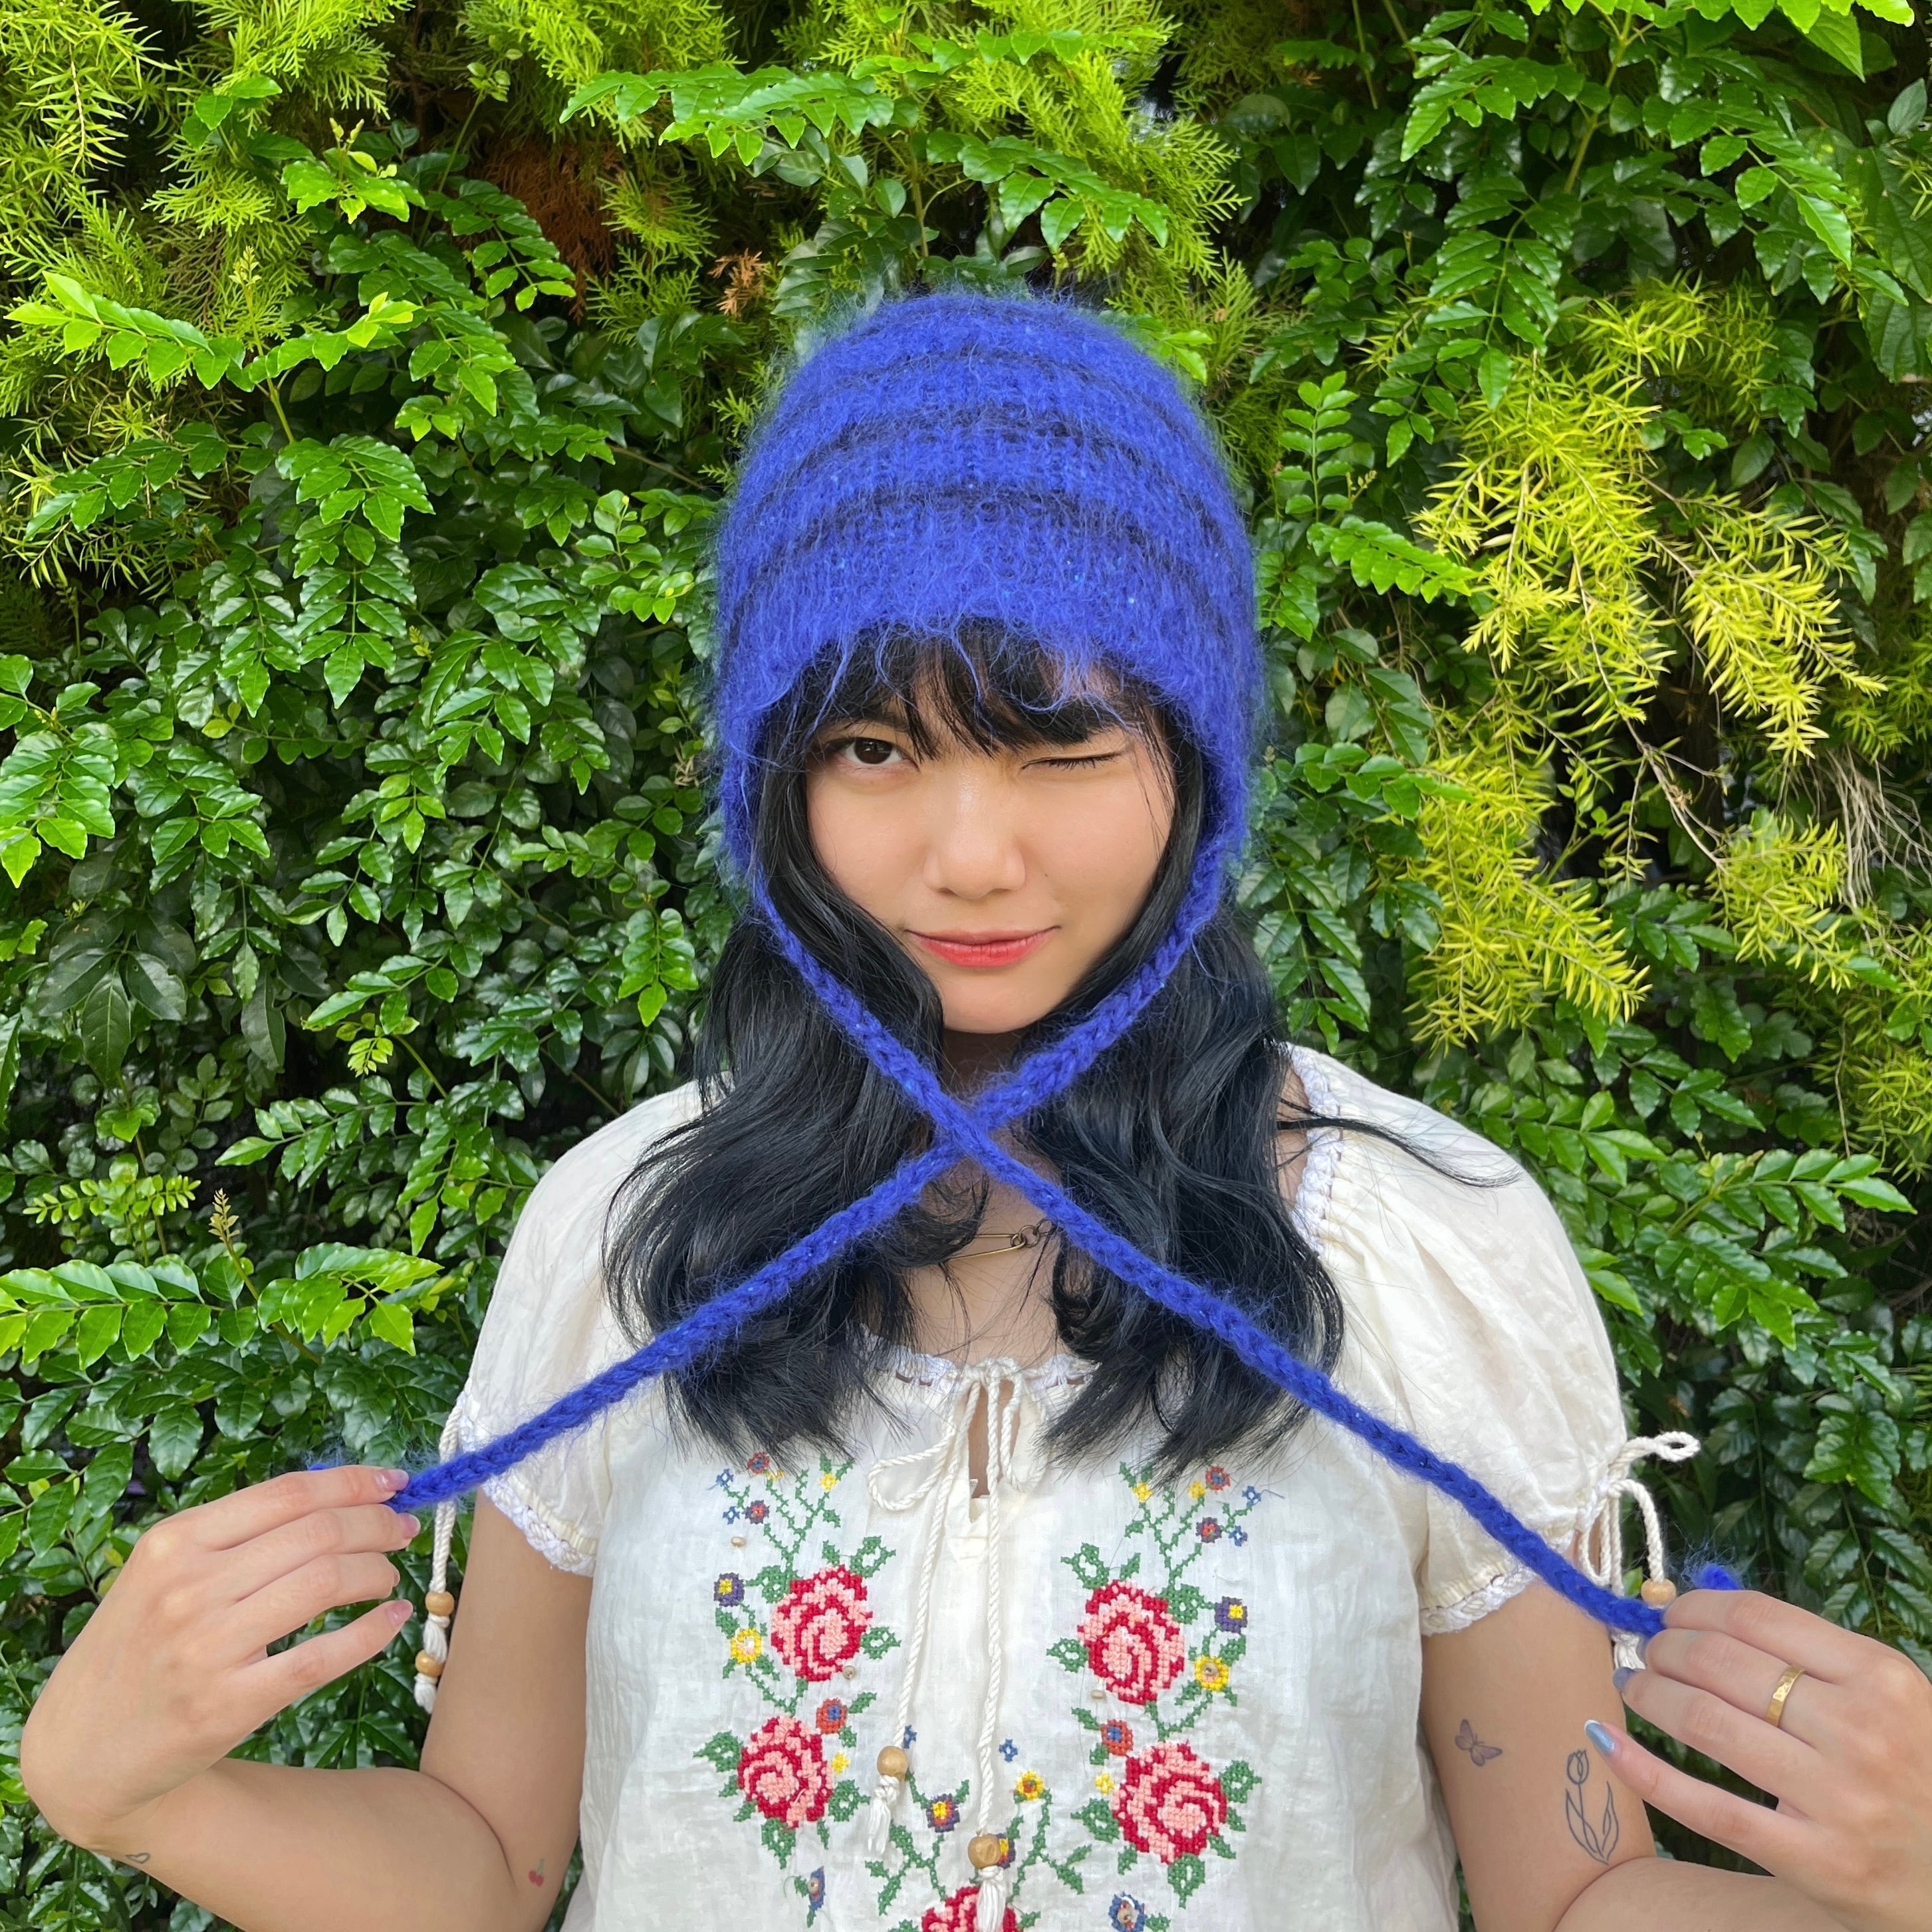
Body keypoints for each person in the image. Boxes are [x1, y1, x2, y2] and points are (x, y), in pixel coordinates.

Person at [19, 291, 1932, 1932]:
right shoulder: (633, 1233)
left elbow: (1571, 1898)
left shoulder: (1420, 1248)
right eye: (874, 746)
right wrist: (129, 1791)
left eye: (1062, 742)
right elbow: (485, 1858)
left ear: (1194, 755)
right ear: (775, 775)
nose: (968, 854)